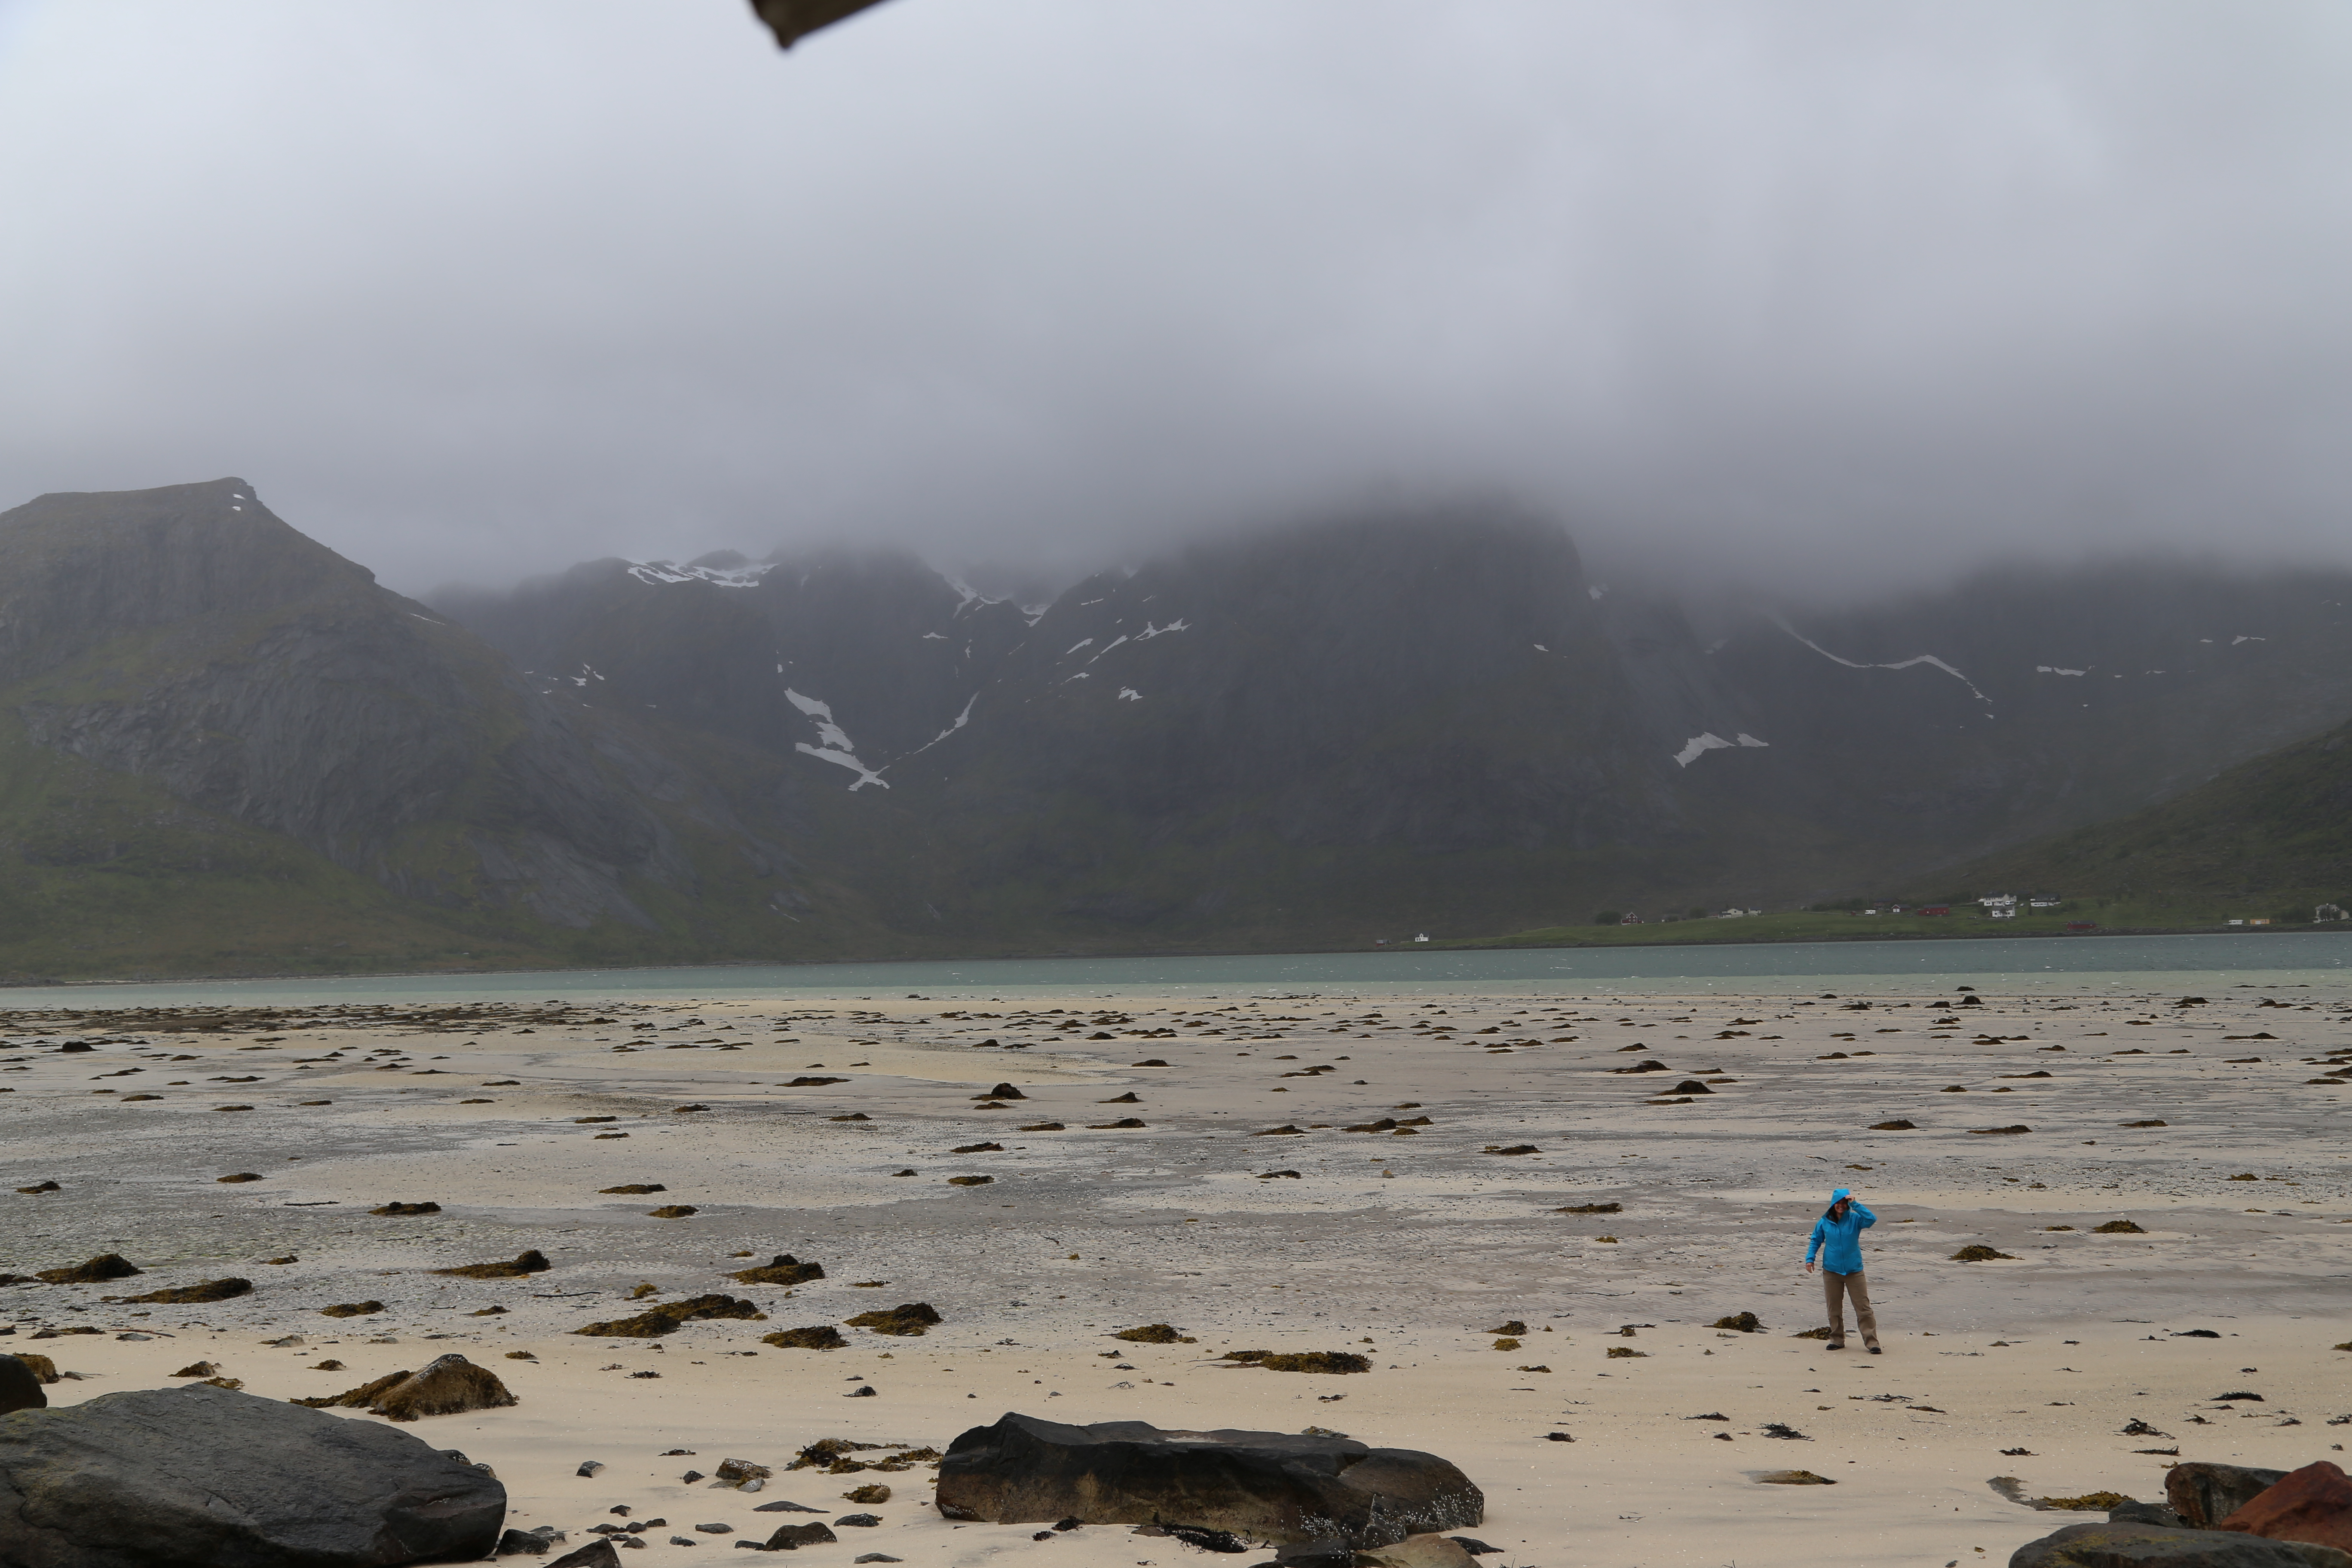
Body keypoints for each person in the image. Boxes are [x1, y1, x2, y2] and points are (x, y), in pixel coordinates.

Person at [1803, 1188, 1880, 1353]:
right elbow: (1815, 1240)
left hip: (1854, 1271)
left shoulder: (1855, 1219)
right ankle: (1837, 1340)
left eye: (1844, 1203)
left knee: (1864, 1308)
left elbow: (1871, 1219)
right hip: (1831, 1271)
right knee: (1834, 1309)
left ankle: (1872, 1342)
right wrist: (1810, 1259)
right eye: (1838, 1203)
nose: (1841, 1206)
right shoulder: (1824, 1222)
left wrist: (1856, 1204)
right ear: (1833, 1204)